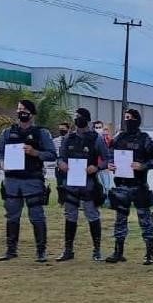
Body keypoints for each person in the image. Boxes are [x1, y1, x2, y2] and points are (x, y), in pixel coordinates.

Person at [0, 100, 57, 262]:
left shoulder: (41, 133)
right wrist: (1, 163)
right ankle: (11, 250)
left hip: (32, 180)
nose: (20, 112)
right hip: (12, 181)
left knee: (37, 216)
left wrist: (35, 152)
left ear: (31, 113)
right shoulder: (7, 132)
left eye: (24, 109)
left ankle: (41, 251)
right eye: (18, 109)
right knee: (11, 216)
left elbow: (52, 154)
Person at [54, 108, 110, 262]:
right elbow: (60, 157)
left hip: (89, 184)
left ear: (87, 119)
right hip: (70, 183)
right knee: (70, 215)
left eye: (79, 117)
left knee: (92, 214)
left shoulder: (96, 138)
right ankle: (68, 250)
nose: (77, 119)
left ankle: (97, 250)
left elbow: (107, 159)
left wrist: (97, 167)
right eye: (76, 117)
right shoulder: (68, 138)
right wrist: (61, 164)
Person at [105, 109, 153, 264]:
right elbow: (110, 154)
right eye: (125, 118)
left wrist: (142, 166)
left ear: (136, 120)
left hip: (139, 185)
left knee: (145, 220)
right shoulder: (119, 137)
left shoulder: (145, 139)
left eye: (129, 118)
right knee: (120, 220)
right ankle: (118, 252)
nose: (127, 121)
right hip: (122, 185)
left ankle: (149, 254)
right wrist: (110, 164)